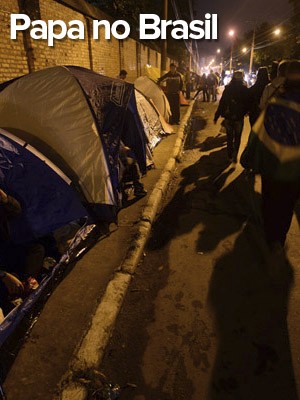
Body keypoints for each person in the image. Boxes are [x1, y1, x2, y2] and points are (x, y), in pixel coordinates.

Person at [241, 60, 300, 249]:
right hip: (294, 171)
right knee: (287, 206)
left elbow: (257, 137)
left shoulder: (275, 104)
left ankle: (271, 236)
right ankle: (279, 239)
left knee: (269, 202)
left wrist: (248, 159)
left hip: (271, 166)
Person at [214, 70, 249, 163]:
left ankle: (230, 155)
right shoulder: (244, 88)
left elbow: (222, 102)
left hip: (228, 116)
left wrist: (217, 115)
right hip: (239, 117)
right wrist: (246, 112)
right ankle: (235, 155)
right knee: (237, 137)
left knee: (229, 137)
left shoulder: (228, 88)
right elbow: (248, 103)